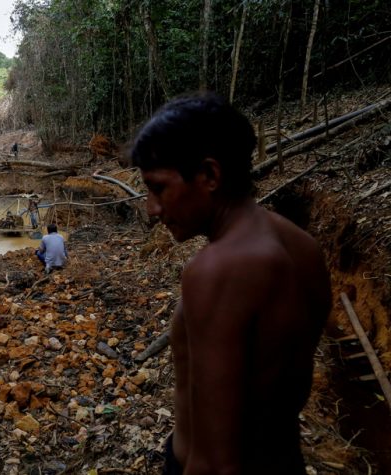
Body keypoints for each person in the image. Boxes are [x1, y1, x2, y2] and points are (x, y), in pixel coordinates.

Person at [131, 92, 331, 475]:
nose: (152, 210)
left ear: (209, 176)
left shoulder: (219, 270)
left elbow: (216, 462)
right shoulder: (302, 246)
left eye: (158, 188)